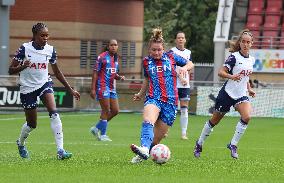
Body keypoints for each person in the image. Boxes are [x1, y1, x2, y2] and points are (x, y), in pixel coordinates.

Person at [8, 22, 81, 160]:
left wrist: (70, 89)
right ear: (35, 36)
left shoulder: (50, 50)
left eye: (47, 35)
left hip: (44, 84)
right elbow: (10, 70)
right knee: (32, 124)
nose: (45, 38)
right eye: (42, 35)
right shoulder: (24, 48)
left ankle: (60, 150)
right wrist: (23, 66)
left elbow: (57, 72)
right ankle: (21, 143)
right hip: (27, 88)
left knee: (54, 113)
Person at [130, 28, 194, 163]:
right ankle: (144, 149)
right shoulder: (146, 62)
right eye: (154, 50)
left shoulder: (171, 56)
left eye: (159, 49)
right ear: (149, 50)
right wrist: (141, 94)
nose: (157, 52)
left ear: (163, 49)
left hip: (170, 102)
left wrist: (184, 68)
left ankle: (144, 154)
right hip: (154, 97)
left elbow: (190, 63)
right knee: (148, 120)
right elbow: (147, 79)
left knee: (156, 139)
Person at [193, 29, 256, 159]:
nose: (245, 44)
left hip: (241, 95)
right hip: (227, 94)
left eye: (248, 42)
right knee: (214, 121)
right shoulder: (234, 57)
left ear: (251, 44)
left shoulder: (252, 60)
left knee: (247, 117)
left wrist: (249, 89)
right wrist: (232, 76)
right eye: (243, 41)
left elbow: (246, 76)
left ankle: (233, 144)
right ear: (240, 42)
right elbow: (220, 72)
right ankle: (199, 143)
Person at [90, 39, 125, 142]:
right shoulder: (101, 57)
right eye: (111, 45)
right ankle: (103, 135)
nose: (113, 47)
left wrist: (119, 77)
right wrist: (92, 89)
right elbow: (95, 73)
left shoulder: (115, 58)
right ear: (108, 46)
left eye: (115, 45)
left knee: (115, 111)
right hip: (102, 87)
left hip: (111, 88)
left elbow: (113, 74)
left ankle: (96, 128)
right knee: (106, 110)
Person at [171, 31, 193, 140]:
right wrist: (180, 77)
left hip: (185, 85)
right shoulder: (172, 52)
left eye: (182, 38)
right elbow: (171, 68)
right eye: (178, 37)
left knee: (184, 108)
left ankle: (184, 133)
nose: (180, 39)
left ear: (185, 40)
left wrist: (186, 78)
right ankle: (165, 130)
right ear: (176, 40)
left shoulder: (188, 52)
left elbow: (189, 66)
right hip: (174, 83)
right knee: (171, 108)